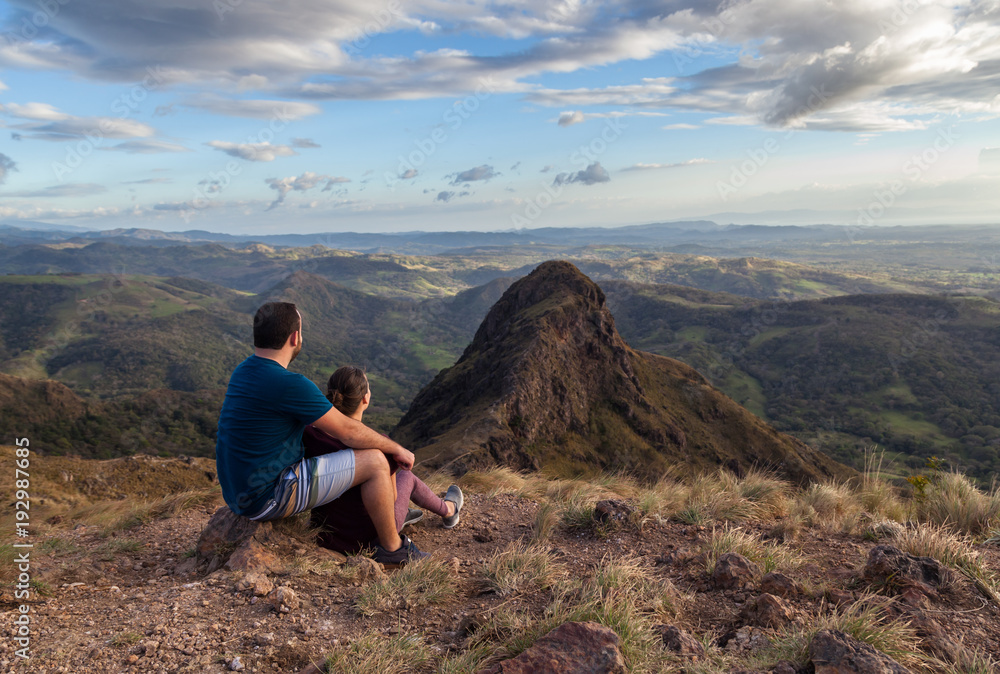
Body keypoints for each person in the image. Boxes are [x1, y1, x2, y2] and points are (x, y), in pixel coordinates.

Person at [215, 301, 428, 565]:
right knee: (375, 461)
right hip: (267, 498)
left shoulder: (243, 371)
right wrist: (395, 448)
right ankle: (394, 549)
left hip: (238, 493)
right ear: (295, 338)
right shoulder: (290, 384)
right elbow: (348, 431)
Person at [303, 366, 463, 555]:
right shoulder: (379, 447)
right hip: (368, 538)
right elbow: (391, 498)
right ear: (365, 399)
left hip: (325, 533)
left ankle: (415, 513)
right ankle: (448, 510)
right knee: (407, 476)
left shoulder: (310, 433)